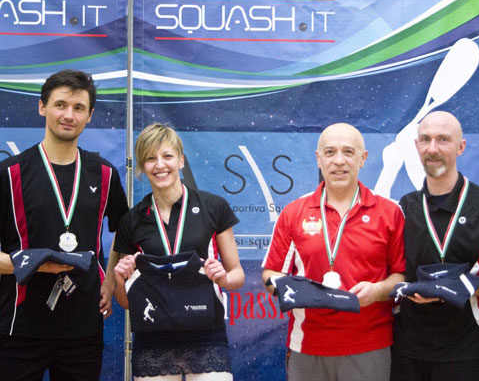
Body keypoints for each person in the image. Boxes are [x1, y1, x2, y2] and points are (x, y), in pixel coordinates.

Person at [0, 69, 129, 380]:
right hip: (19, 327)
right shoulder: (9, 174)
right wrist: (29, 264)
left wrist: (110, 280)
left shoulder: (105, 174)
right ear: (42, 107)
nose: (69, 115)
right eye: (60, 105)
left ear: (89, 115)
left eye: (78, 108)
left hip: (83, 328)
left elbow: (125, 234)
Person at [262, 123, 405, 381]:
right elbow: (271, 273)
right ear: (319, 159)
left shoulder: (389, 212)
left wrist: (378, 291)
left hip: (369, 345)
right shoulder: (293, 213)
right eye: (330, 152)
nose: (339, 161)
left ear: (363, 158)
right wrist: (294, 290)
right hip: (307, 344)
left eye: (348, 152)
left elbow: (401, 276)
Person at [391, 111, 479, 381]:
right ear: (416, 146)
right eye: (425, 139)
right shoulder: (403, 207)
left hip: (469, 349)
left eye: (443, 139)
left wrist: (462, 287)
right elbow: (395, 273)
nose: (432, 148)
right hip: (407, 350)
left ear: (461, 147)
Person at [112, 123, 244, 381]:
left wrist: (223, 278)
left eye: (167, 156)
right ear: (142, 166)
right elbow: (126, 302)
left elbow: (237, 275)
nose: (160, 165)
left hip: (206, 333)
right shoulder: (131, 220)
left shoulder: (213, 206)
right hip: (153, 338)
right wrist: (119, 279)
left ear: (181, 161)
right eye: (150, 158)